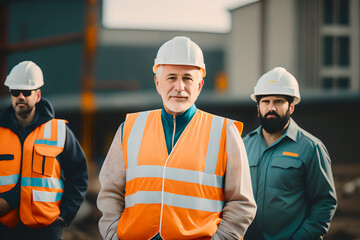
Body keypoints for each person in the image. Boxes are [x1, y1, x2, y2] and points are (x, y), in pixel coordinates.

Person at [97, 36, 256, 240]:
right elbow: (110, 191)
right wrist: (113, 235)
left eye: (188, 78)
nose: (179, 87)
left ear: (199, 86)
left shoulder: (224, 132)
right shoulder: (129, 128)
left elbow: (241, 202)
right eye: (171, 77)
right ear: (157, 83)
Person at [243, 67, 337, 240]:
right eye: (265, 102)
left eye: (278, 101)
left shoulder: (311, 148)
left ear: (291, 107)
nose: (271, 108)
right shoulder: (243, 145)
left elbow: (325, 203)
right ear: (258, 107)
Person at [0, 61, 89, 240]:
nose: (20, 97)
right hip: (5, 227)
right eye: (15, 92)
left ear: (38, 95)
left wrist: (64, 216)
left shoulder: (59, 131)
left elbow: (79, 176)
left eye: (26, 92)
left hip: (46, 228)